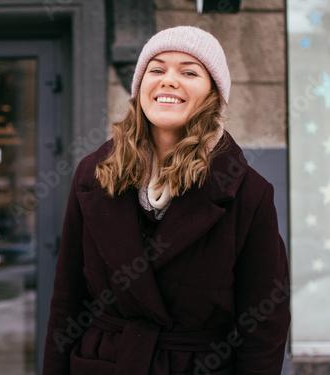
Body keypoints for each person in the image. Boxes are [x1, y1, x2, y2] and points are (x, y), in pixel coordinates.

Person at [42, 26, 290, 375]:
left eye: (189, 72)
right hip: (103, 363)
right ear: (140, 87)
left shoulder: (249, 193)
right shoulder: (93, 174)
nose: (168, 81)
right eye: (156, 69)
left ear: (213, 94)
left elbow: (265, 324)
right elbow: (67, 300)